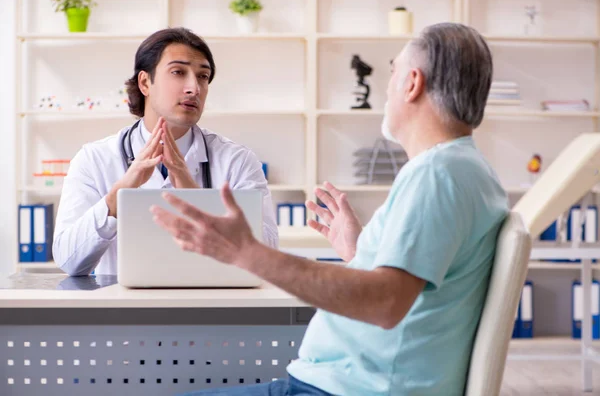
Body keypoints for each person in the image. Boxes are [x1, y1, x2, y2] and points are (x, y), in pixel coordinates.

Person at [151, 22, 509, 396]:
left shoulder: (437, 174)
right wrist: (358, 252)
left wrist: (245, 252)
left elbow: (386, 302)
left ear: (412, 83)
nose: (388, 88)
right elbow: (415, 290)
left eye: (392, 72)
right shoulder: (470, 170)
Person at [53, 27, 278, 276]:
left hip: (210, 309)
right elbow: (68, 260)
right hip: (123, 311)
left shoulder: (238, 161)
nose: (194, 88)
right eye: (178, 72)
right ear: (145, 82)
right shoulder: (94, 159)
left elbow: (265, 256)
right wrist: (118, 195)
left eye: (203, 76)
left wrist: (193, 195)